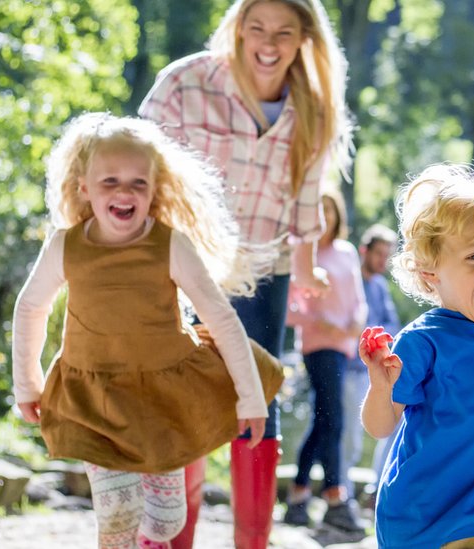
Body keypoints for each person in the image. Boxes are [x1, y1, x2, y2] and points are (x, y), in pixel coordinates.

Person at [10, 113, 284, 549]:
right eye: (110, 181)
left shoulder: (169, 244)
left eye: (138, 182)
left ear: (155, 190)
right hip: (94, 400)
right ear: (84, 187)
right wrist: (27, 384)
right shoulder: (66, 245)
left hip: (161, 403)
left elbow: (220, 317)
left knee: (165, 520)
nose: (124, 192)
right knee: (117, 512)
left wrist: (251, 398)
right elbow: (31, 308)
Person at [138, 0, 352, 546]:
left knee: (258, 394)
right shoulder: (186, 83)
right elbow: (136, 170)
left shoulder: (314, 106)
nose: (269, 43)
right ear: (237, 29)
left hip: (263, 268)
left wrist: (306, 271)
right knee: (182, 399)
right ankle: (172, 537)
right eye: (256, 27)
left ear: (304, 37)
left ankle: (252, 540)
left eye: (285, 31)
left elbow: (304, 209)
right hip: (182, 266)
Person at [359, 164, 474, 548]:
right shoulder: (422, 340)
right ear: (431, 272)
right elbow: (380, 427)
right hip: (433, 517)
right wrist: (381, 386)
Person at [283, 188, 367, 531]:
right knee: (334, 418)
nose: (325, 217)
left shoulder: (346, 252)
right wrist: (315, 322)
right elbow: (288, 310)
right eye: (320, 211)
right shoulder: (303, 254)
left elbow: (358, 300)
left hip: (344, 345)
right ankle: (335, 496)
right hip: (318, 346)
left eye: (330, 211)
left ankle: (299, 494)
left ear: (337, 216)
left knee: (325, 420)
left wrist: (357, 324)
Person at [338, 223, 401, 497]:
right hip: (350, 367)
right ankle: (344, 495)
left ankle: (378, 488)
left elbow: (392, 324)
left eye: (387, 255)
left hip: (376, 369)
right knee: (350, 436)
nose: (382, 261)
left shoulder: (380, 286)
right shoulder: (349, 280)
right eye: (378, 254)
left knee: (392, 427)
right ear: (364, 250)